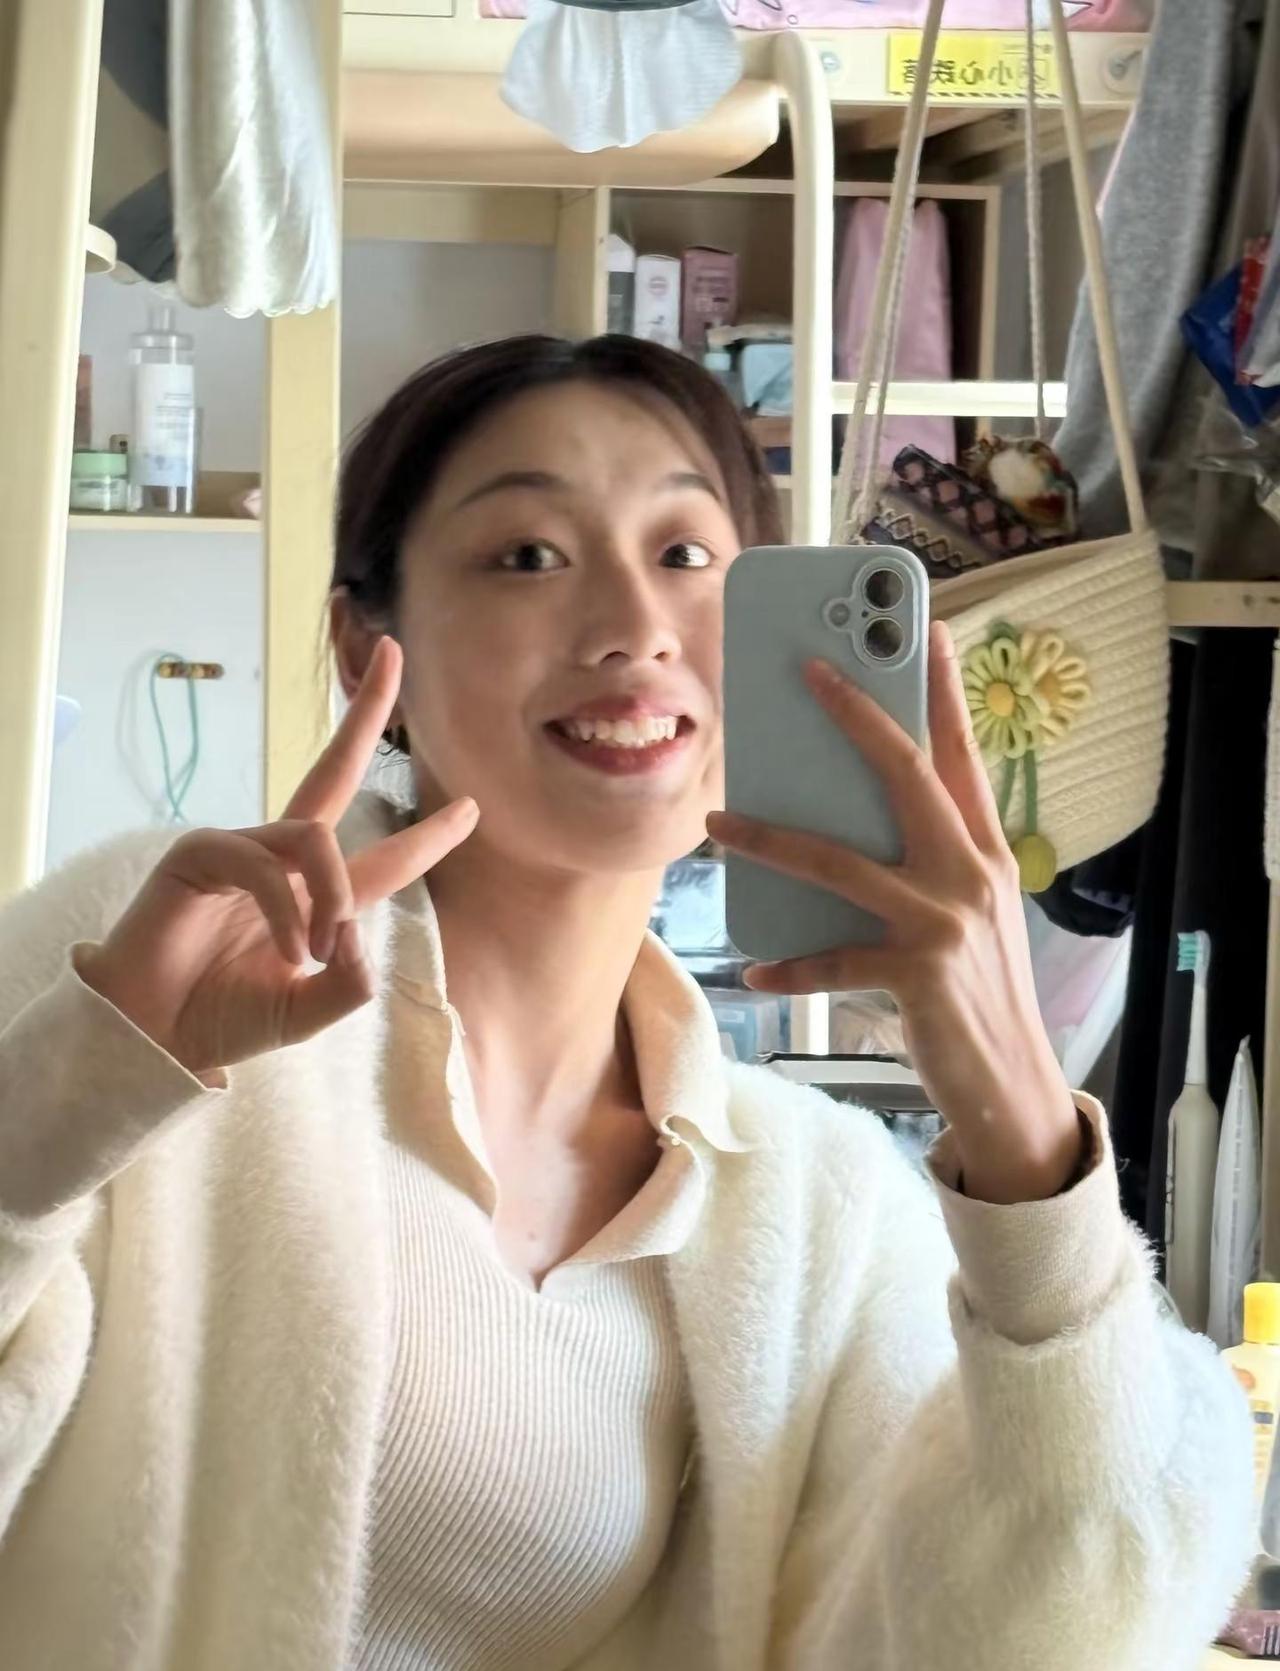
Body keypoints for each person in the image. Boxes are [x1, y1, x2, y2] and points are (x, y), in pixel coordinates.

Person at [0, 334, 1253, 1671]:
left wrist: (1030, 1154)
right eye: (527, 555)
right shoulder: (156, 968)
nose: (633, 626)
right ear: (369, 648)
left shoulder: (811, 1208)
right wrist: (69, 1101)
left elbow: (1065, 1631)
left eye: (686, 553)